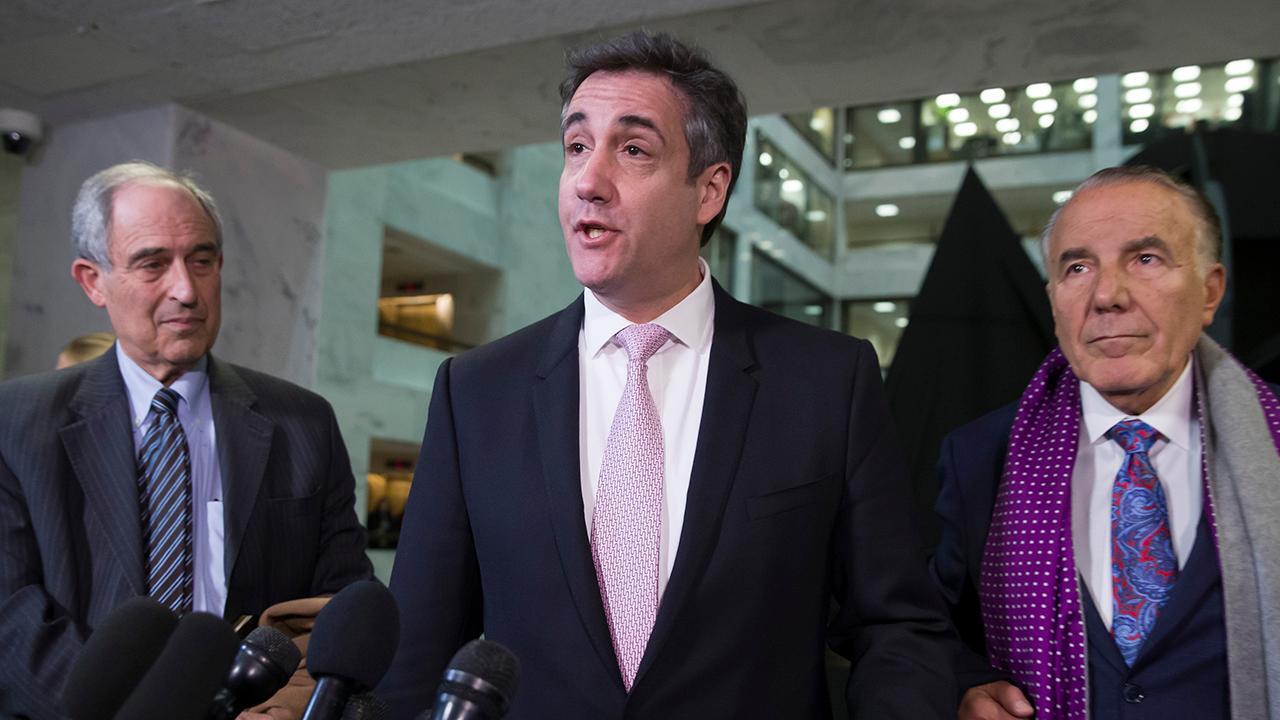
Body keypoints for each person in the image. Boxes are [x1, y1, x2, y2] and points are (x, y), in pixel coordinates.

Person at [379, 31, 955, 719]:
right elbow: (413, 658)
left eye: (633, 150)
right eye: (576, 146)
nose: (588, 181)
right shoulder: (475, 391)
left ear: (709, 190)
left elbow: (897, 626)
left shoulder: (829, 381)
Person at [0, 161, 374, 718]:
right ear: (93, 280)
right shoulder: (16, 422)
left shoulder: (303, 422)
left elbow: (339, 603)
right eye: (152, 263)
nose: (186, 290)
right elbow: (11, 619)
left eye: (201, 260)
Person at [932, 166, 1280, 720]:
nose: (1107, 295)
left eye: (1146, 259)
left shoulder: (1273, 440)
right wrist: (964, 685)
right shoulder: (980, 456)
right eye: (1077, 267)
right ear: (1054, 301)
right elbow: (924, 625)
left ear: (1210, 291)